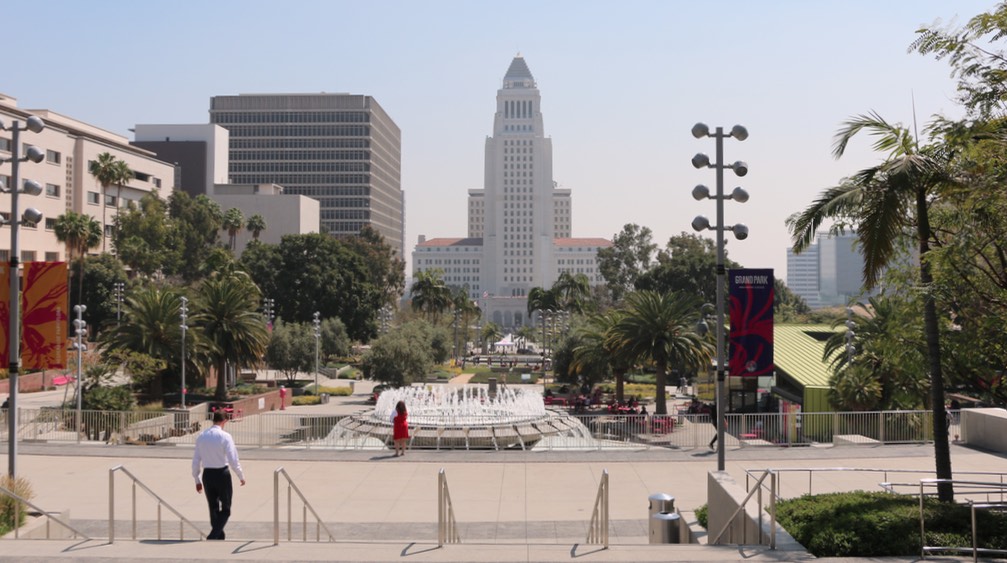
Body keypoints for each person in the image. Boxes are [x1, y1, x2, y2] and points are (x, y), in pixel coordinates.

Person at [192, 410, 245, 540]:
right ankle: (214, 535)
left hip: (208, 474)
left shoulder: (201, 436)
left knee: (213, 506)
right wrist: (240, 475)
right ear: (224, 421)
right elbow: (233, 459)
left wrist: (197, 480)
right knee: (226, 508)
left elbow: (196, 460)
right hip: (222, 473)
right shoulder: (225, 436)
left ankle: (219, 535)